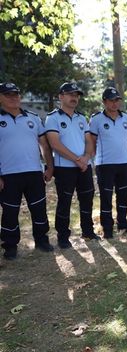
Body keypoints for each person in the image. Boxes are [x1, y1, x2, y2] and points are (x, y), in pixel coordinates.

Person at [0, 82, 54, 259]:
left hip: (33, 172)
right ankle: (10, 246)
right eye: (8, 95)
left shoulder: (33, 117)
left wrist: (49, 167)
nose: (14, 97)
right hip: (8, 175)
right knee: (10, 212)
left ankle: (42, 240)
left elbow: (44, 145)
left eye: (16, 94)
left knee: (39, 208)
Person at [45, 82, 99, 248]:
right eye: (70, 94)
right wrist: (78, 160)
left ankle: (88, 231)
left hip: (84, 167)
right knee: (64, 203)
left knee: (87, 200)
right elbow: (55, 144)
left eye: (76, 95)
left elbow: (89, 141)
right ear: (61, 96)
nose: (74, 97)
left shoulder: (82, 118)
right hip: (65, 169)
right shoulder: (52, 118)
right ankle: (63, 237)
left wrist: (86, 157)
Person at [89, 87, 127, 238]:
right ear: (104, 102)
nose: (115, 103)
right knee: (106, 198)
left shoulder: (126, 118)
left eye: (117, 100)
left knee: (123, 196)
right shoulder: (96, 119)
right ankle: (107, 229)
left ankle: (122, 223)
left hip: (124, 163)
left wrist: (121, 151)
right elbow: (92, 141)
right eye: (111, 100)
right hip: (105, 165)